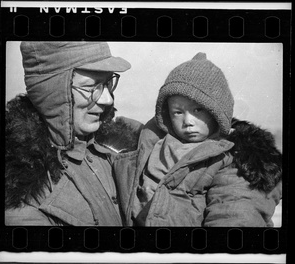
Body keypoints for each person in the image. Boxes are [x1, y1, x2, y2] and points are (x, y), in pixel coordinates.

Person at [113, 52, 282, 227]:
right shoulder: (152, 145)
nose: (188, 122)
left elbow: (232, 214)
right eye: (178, 112)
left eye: (198, 110)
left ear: (216, 112)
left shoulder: (231, 157)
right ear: (166, 115)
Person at [5, 42, 142, 226]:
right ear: (54, 93)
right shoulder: (20, 190)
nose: (107, 99)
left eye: (107, 83)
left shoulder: (121, 145)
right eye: (90, 87)